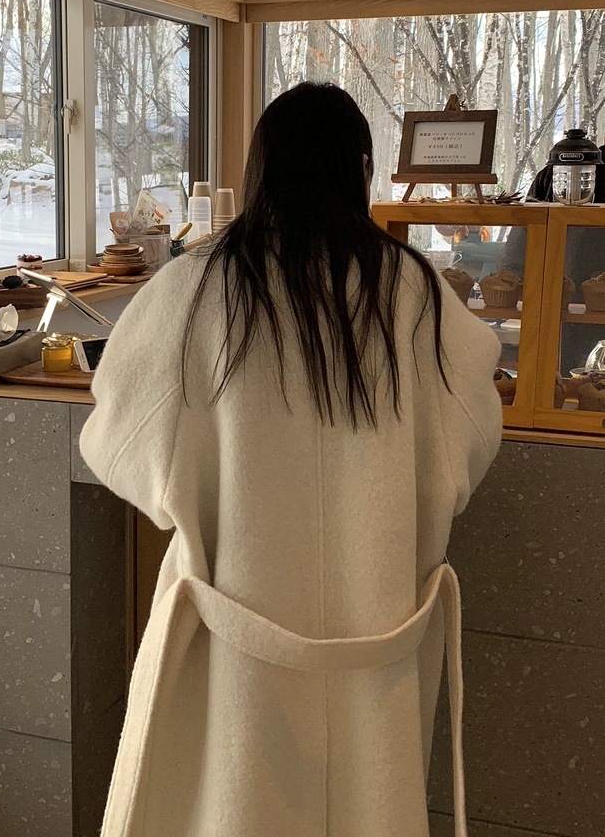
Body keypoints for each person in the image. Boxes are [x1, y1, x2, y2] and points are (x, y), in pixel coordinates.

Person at [79, 82, 502, 837]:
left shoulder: (196, 288)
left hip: (236, 646)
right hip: (378, 633)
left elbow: (117, 439)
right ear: (360, 169)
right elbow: (466, 446)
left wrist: (192, 498)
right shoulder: (417, 293)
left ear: (260, 169)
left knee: (235, 807)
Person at [498, 145, 605, 372]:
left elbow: (513, 263)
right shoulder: (561, 171)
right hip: (560, 319)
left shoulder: (559, 169)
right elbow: (515, 263)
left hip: (556, 319)